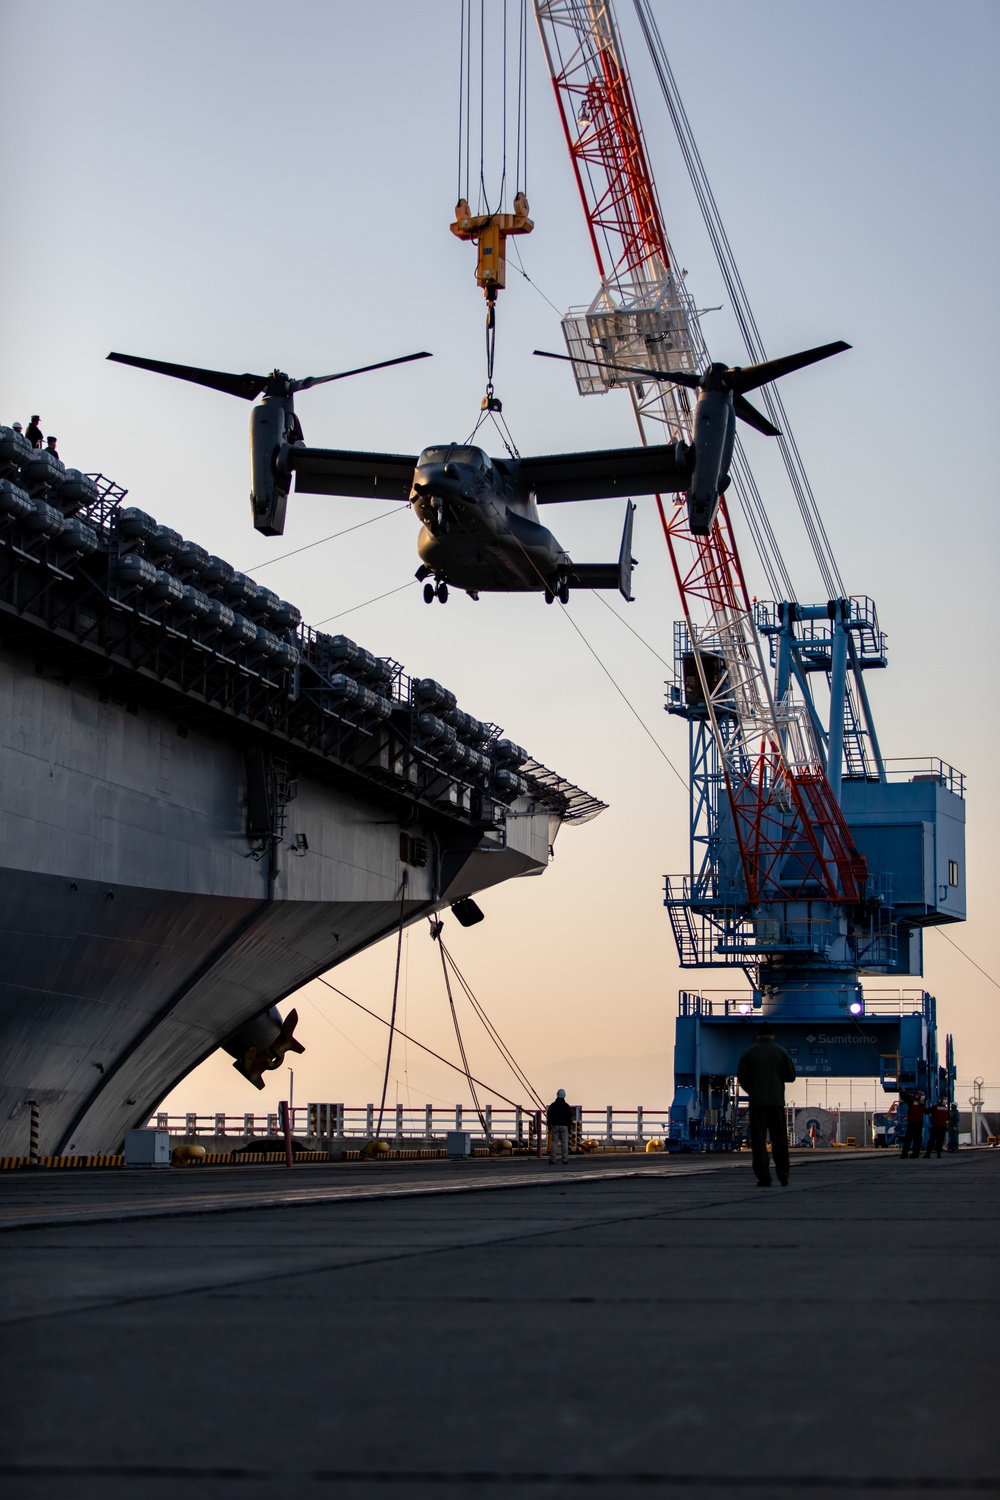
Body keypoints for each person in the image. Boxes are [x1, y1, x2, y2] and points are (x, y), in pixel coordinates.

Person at [736, 1025, 796, 1187]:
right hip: (776, 1103)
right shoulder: (781, 1052)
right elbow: (790, 1076)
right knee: (780, 1141)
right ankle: (783, 1175)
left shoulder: (749, 1053)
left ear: (758, 1035)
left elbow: (742, 1078)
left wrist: (754, 1091)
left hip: (757, 1103)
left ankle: (764, 1177)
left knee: (758, 1141)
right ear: (773, 1036)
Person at [547, 1088, 573, 1165]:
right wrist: (570, 1127)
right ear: (564, 1096)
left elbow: (549, 1116)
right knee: (564, 1143)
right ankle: (565, 1159)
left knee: (554, 1143)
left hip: (555, 1125)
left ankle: (552, 1159)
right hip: (564, 1126)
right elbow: (570, 1117)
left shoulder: (552, 1105)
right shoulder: (566, 1106)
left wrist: (549, 1126)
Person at [899, 1089, 926, 1159]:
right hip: (919, 1123)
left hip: (911, 1123)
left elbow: (905, 1097)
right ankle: (915, 1154)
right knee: (917, 1140)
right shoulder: (923, 1105)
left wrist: (903, 1091)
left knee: (908, 1139)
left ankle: (904, 1154)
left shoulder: (912, 1102)